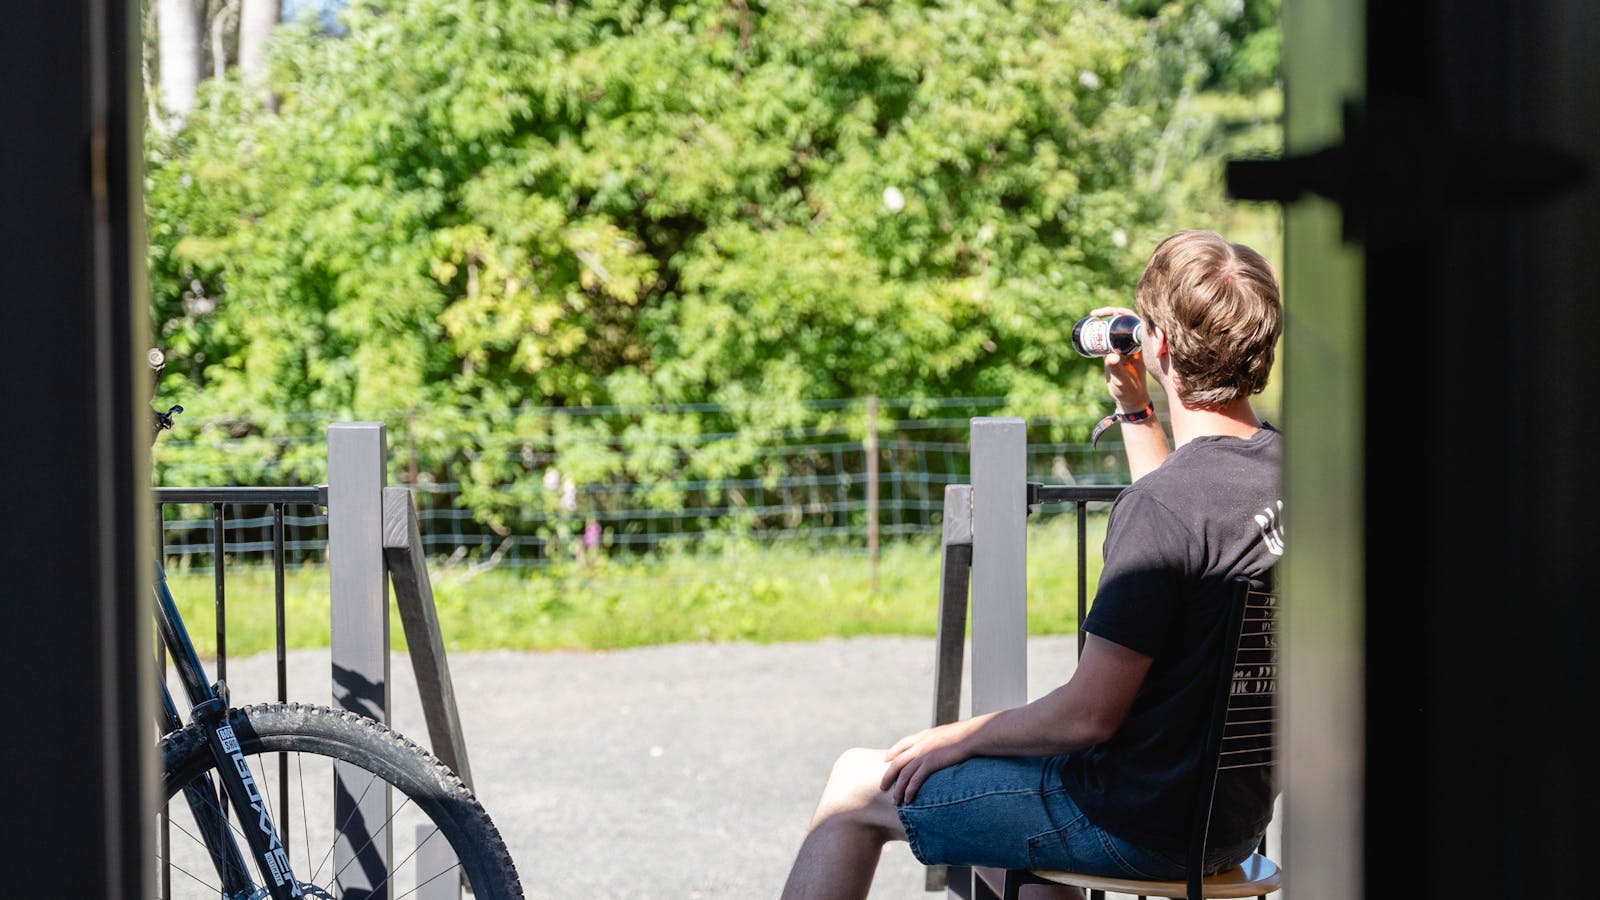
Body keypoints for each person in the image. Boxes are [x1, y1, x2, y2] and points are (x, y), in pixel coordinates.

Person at [779, 229, 1285, 900]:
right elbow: (1191, 513)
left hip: (1133, 820)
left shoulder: (1166, 509)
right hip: (1230, 825)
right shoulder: (1289, 476)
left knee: (854, 783)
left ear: (1157, 343)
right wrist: (1134, 408)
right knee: (1013, 832)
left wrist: (955, 736)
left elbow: (1088, 717)